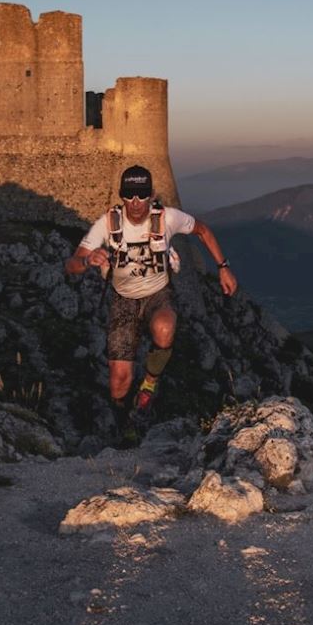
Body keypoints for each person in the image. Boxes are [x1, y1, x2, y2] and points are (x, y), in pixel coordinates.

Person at [65, 164, 238, 431]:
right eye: (130, 195)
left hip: (158, 294)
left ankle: (149, 384)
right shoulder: (107, 224)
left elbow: (202, 230)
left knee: (165, 328)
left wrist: (223, 267)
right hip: (123, 300)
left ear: (152, 194)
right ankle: (126, 420)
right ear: (121, 196)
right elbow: (71, 265)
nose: (136, 202)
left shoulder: (167, 218)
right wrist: (88, 259)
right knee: (119, 382)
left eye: (142, 195)